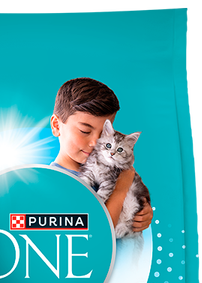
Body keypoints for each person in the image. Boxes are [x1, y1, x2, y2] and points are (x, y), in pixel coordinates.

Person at [48, 77, 153, 233]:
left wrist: (143, 212)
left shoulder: (110, 168)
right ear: (57, 126)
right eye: (85, 131)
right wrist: (120, 189)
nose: (95, 142)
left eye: (103, 134)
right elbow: (96, 232)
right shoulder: (54, 182)